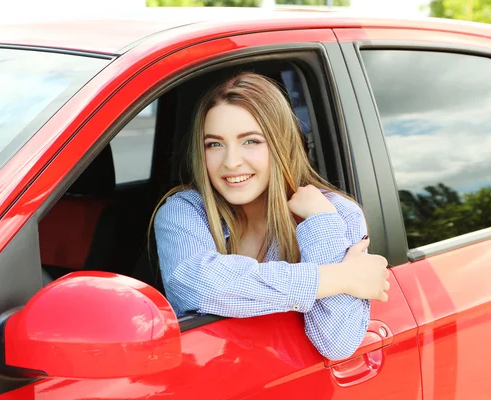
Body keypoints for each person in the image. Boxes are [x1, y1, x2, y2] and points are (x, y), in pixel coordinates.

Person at [151, 72, 390, 361]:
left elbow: (336, 343)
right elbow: (200, 286)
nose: (231, 162)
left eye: (250, 141)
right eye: (214, 144)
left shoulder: (335, 215)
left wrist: (320, 223)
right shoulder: (185, 210)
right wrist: (337, 278)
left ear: (281, 144)